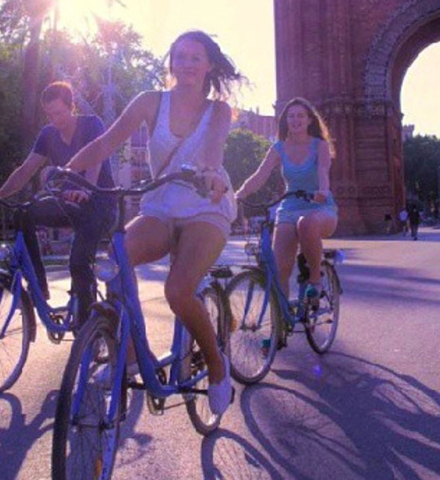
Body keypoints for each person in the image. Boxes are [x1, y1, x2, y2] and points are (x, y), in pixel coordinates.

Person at [65, 30, 244, 415]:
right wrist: (65, 170)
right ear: (172, 63)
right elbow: (104, 144)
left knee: (178, 290)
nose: (187, 64)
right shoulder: (150, 101)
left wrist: (212, 174)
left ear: (209, 64)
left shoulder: (218, 111)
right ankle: (130, 356)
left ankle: (216, 365)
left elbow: (212, 152)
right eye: (180, 56)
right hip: (161, 206)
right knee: (115, 261)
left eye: (196, 57)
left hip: (205, 206)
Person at [0, 81, 116, 325]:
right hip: (70, 204)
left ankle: (86, 332)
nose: (55, 120)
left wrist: (86, 189)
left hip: (100, 202)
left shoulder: (91, 124)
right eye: (50, 114)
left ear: (71, 106)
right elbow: (25, 171)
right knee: (24, 214)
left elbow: (95, 159)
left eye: (59, 113)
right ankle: (39, 284)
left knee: (78, 263)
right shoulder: (47, 134)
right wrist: (1, 194)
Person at [235, 97, 338, 305]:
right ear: (285, 121)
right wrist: (238, 194)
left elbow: (323, 171)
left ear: (310, 120)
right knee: (280, 268)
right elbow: (259, 176)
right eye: (291, 116)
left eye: (300, 115)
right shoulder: (279, 148)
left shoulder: (320, 146)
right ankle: (279, 328)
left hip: (319, 207)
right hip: (289, 207)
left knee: (306, 224)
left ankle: (315, 279)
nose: (296, 120)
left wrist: (323, 190)